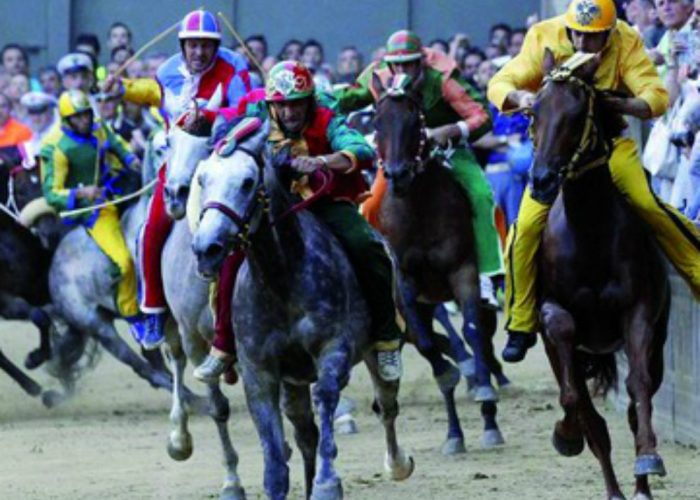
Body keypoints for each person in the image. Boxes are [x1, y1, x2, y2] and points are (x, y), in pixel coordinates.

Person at [487, 0, 700, 363]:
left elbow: (656, 95)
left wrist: (622, 105)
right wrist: (521, 95)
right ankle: (521, 321)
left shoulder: (626, 39)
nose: (585, 46)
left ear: (609, 32)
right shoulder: (544, 36)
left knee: (648, 204)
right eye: (579, 37)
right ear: (568, 29)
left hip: (609, 145)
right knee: (524, 228)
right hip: (555, 152)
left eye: (595, 39)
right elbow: (500, 82)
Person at [193, 60, 404, 384]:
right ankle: (222, 345)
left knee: (368, 247)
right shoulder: (258, 117)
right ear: (272, 105)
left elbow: (359, 148)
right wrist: (204, 120)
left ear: (309, 101)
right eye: (282, 105)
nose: (290, 112)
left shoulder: (326, 118)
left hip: (324, 203)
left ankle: (386, 337)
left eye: (296, 104)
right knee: (232, 257)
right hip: (271, 208)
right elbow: (225, 124)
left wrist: (320, 161)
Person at [103, 9, 251, 349]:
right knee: (150, 231)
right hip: (177, 165)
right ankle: (153, 309)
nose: (199, 53)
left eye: (205, 46)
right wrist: (120, 87)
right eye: (192, 46)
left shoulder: (234, 68)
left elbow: (244, 107)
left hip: (220, 164)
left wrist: (211, 116)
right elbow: (149, 92)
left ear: (215, 47)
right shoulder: (168, 71)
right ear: (182, 46)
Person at [335, 30, 503, 307]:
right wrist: (312, 98)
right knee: (369, 206)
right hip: (400, 155)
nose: (403, 71)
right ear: (388, 64)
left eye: (410, 64)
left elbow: (481, 115)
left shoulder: (443, 76)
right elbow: (347, 99)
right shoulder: (378, 76)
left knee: (481, 194)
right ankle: (372, 277)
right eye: (397, 65)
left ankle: (487, 273)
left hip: (447, 149)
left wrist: (451, 129)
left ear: (422, 61)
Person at [40, 90, 145, 336]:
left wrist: (131, 159)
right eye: (78, 117)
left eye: (87, 114)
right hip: (96, 209)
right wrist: (82, 193)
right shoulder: (54, 147)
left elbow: (117, 144)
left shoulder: (99, 127)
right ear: (66, 120)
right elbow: (52, 194)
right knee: (125, 263)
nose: (85, 120)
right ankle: (132, 315)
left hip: (121, 189)